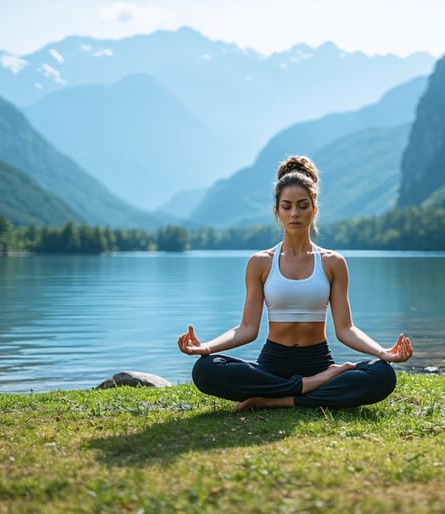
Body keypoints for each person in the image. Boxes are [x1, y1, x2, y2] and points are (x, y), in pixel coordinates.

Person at [177, 155, 413, 410]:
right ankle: (307, 389)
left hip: (318, 361)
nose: (294, 214)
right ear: (277, 211)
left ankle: (278, 400)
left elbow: (346, 329)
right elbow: (247, 328)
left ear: (315, 209)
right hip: (273, 364)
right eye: (286, 206)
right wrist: (205, 347)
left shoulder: (333, 263)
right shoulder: (261, 262)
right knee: (205, 369)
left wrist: (382, 352)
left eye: (302, 205)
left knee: (382, 374)